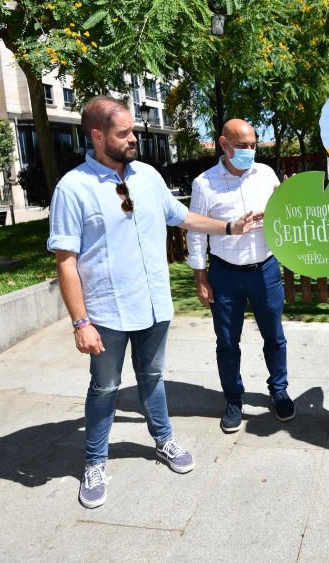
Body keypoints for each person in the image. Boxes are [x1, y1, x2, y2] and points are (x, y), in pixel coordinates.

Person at [48, 97, 263, 509]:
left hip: (152, 306)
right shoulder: (72, 189)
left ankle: (163, 440)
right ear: (97, 136)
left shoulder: (147, 176)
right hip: (106, 313)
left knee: (152, 378)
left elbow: (182, 217)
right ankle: (94, 462)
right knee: (105, 386)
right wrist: (80, 323)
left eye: (133, 130)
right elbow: (66, 262)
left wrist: (230, 227)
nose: (134, 138)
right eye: (124, 133)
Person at [187, 118, 293, 433]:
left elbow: (286, 212)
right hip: (225, 275)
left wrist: (290, 197)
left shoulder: (266, 175)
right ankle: (233, 399)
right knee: (227, 342)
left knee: (274, 336)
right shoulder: (204, 184)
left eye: (253, 145)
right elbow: (195, 233)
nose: (249, 151)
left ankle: (279, 390)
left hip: (266, 269)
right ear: (223, 144)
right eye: (242, 146)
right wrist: (200, 278)